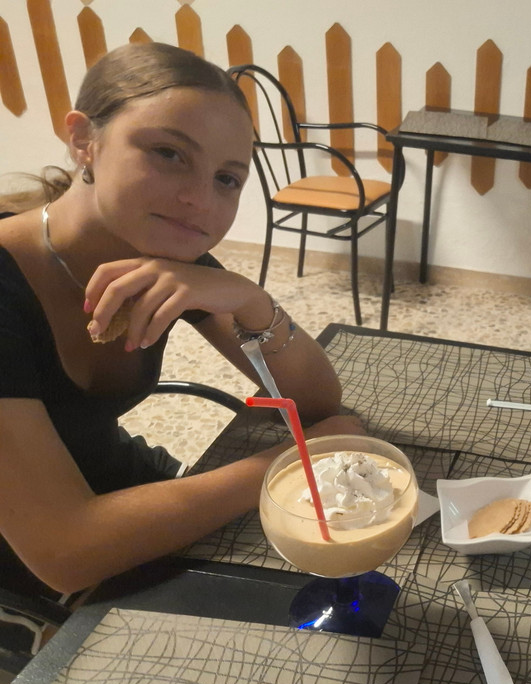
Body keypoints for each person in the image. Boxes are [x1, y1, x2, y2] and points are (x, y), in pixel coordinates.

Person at [0, 43, 361, 652]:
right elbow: (63, 551)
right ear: (84, 139)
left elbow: (319, 401)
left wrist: (248, 299)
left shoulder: (160, 254)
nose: (200, 200)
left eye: (227, 179)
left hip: (126, 496)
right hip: (31, 573)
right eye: (168, 153)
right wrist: (289, 462)